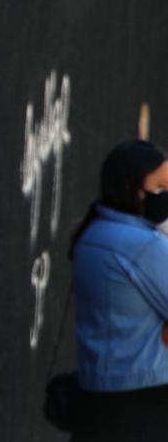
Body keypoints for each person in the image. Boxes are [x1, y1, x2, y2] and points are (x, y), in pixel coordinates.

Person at [70, 139, 168, 441]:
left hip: (96, 397)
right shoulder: (141, 246)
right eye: (161, 187)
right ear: (131, 187)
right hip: (144, 402)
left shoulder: (92, 234)